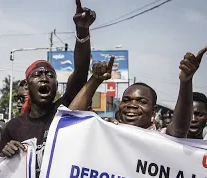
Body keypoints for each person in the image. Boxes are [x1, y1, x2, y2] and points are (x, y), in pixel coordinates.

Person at [0, 1, 95, 177]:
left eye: (50, 75)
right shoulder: (13, 127)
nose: (44, 78)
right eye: (38, 75)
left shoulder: (65, 111)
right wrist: (5, 152)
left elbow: (81, 72)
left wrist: (82, 31)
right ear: (27, 86)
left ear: (57, 86)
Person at [70, 47, 207, 138]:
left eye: (142, 101)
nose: (132, 105)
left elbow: (180, 129)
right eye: (126, 100)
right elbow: (69, 121)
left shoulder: (161, 137)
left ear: (153, 111)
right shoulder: (106, 128)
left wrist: (186, 82)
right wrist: (95, 80)